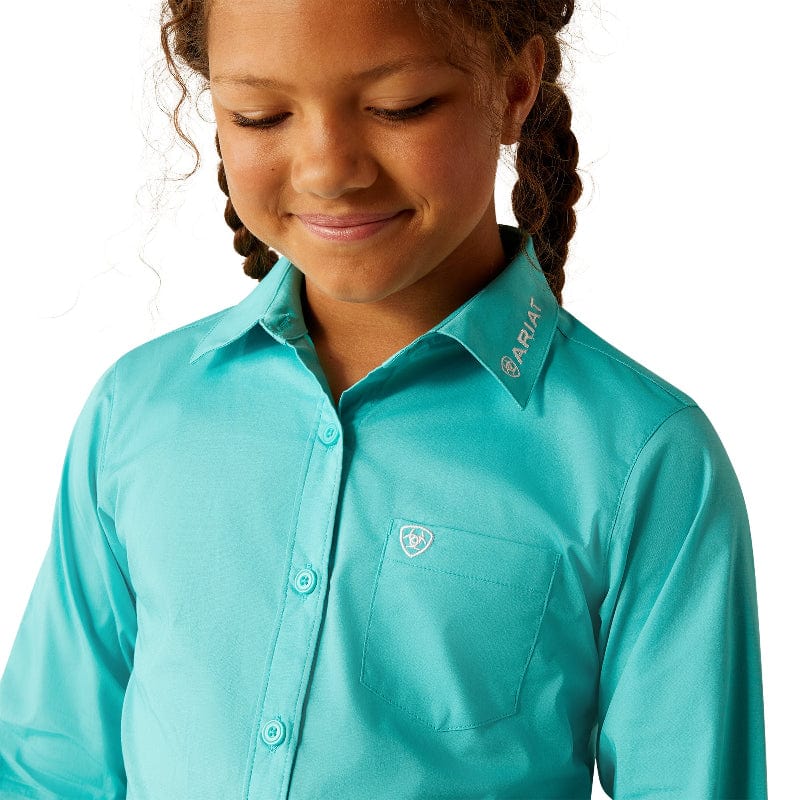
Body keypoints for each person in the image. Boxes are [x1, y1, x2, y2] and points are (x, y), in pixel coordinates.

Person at [0, 0, 767, 798]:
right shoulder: (140, 412)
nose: (329, 171)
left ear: (514, 88)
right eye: (261, 116)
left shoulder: (642, 458)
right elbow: (46, 771)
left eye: (400, 106)